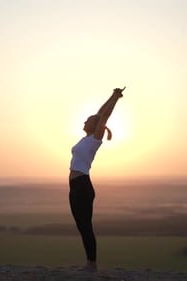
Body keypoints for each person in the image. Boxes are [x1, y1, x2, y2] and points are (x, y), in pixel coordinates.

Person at [69, 87, 125, 271]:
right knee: (81, 225)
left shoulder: (95, 139)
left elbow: (104, 116)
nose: (84, 121)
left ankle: (92, 264)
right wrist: (112, 94)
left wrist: (116, 98)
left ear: (94, 125)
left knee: (85, 225)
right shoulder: (86, 139)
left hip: (82, 186)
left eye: (87, 120)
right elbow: (100, 113)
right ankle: (90, 262)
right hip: (75, 186)